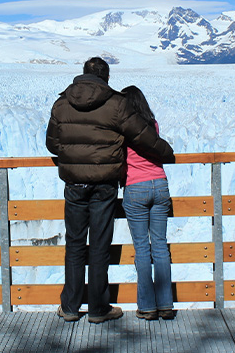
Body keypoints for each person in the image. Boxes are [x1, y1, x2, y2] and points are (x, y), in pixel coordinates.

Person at [46, 57, 175, 324]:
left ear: (82, 75)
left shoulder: (61, 104)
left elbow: (52, 144)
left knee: (74, 244)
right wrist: (167, 153)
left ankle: (70, 307)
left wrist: (74, 156)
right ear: (106, 78)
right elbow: (142, 136)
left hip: (74, 185)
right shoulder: (116, 104)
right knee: (100, 246)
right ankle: (97, 309)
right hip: (104, 185)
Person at [121, 85, 175, 321]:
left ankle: (147, 307)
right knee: (160, 246)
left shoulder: (123, 128)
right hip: (160, 185)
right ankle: (165, 305)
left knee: (142, 248)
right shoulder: (152, 124)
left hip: (136, 187)